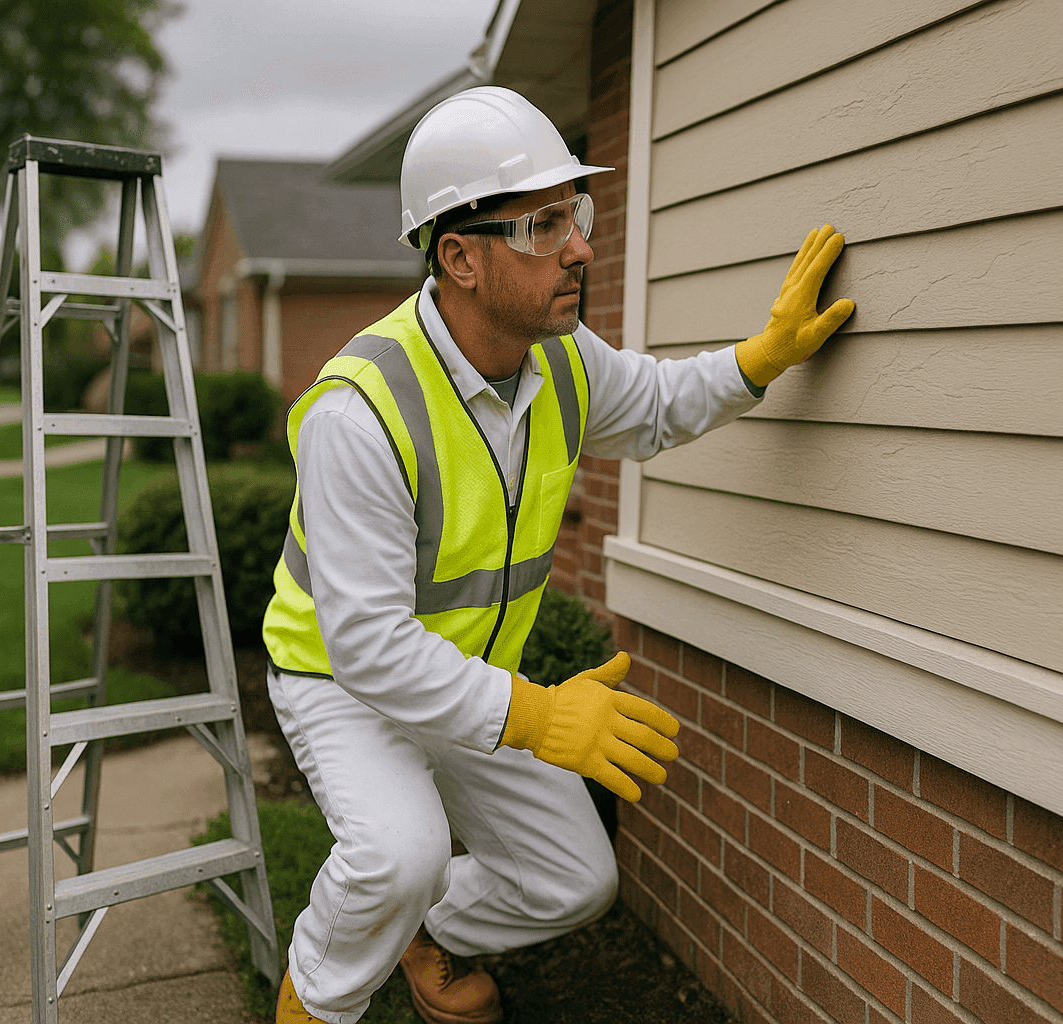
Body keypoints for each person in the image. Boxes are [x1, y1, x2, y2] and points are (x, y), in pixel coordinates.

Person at [262, 85, 855, 1024]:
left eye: (575, 212)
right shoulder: (360, 411)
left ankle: (421, 934)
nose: (581, 245)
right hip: (341, 681)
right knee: (399, 854)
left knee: (576, 880)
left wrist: (760, 359)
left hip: (469, 677)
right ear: (458, 256)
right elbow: (370, 645)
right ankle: (316, 1002)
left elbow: (658, 404)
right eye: (542, 224)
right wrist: (536, 716)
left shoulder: (563, 358)